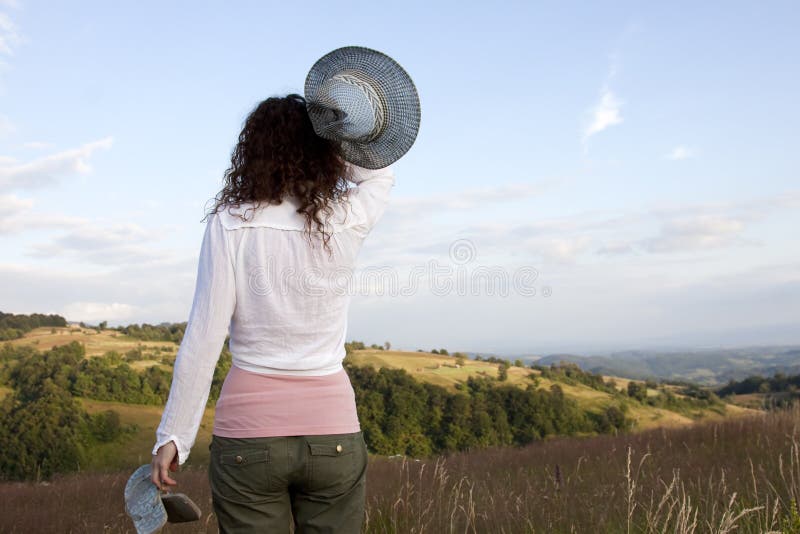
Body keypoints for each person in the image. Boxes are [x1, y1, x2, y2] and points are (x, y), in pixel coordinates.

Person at [149, 93, 395, 533]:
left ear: (254, 151)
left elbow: (204, 339)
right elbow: (380, 175)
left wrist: (174, 437)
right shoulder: (345, 217)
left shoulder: (232, 221)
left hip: (249, 438)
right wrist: (337, 135)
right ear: (323, 150)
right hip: (333, 431)